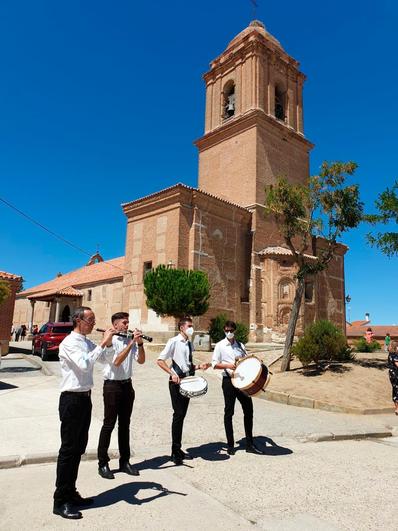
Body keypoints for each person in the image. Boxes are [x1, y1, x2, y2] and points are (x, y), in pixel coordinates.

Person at [53, 306, 116, 520]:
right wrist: (102, 343)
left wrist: (111, 342)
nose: (93, 323)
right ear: (79, 320)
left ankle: (71, 492)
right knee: (68, 450)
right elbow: (84, 364)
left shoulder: (86, 341)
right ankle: (60, 500)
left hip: (85, 399)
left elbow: (105, 360)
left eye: (94, 319)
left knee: (78, 449)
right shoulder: (69, 343)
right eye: (90, 319)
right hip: (71, 400)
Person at [97, 312, 145, 479]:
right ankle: (102, 463)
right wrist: (132, 343)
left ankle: (124, 462)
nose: (127, 325)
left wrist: (139, 344)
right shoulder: (111, 340)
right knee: (109, 424)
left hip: (127, 385)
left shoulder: (128, 339)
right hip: (112, 386)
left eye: (128, 322)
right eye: (124, 322)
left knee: (125, 425)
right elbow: (116, 362)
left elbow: (141, 361)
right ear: (115, 325)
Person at [157, 316, 210, 465]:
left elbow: (187, 365)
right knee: (178, 415)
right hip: (176, 383)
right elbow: (160, 360)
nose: (191, 328)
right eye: (189, 326)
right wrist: (172, 374)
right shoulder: (173, 342)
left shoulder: (188, 343)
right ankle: (174, 452)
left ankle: (178, 448)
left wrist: (200, 367)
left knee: (182, 415)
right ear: (182, 328)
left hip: (187, 381)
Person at [212, 320, 263, 455]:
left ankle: (250, 444)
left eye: (231, 331)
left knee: (248, 410)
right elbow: (214, 364)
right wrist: (229, 366)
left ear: (235, 331)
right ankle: (230, 445)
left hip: (242, 382)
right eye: (226, 331)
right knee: (229, 412)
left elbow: (246, 361)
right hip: (228, 381)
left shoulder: (240, 345)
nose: (228, 333)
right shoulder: (220, 346)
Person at [387, 340, 398, 416]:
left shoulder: (391, 354)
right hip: (395, 375)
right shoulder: (394, 355)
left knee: (395, 390)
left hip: (392, 374)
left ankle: (397, 408)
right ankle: (397, 408)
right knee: (396, 390)